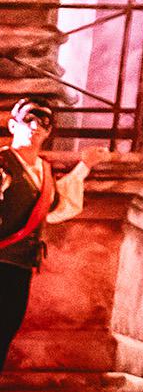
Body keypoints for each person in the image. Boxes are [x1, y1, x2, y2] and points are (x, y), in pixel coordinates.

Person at [0, 96, 88, 371]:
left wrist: (86, 165)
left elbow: (55, 206)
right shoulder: (3, 164)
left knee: (5, 331)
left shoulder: (42, 171)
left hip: (21, 265)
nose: (36, 127)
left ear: (49, 132)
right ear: (13, 126)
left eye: (44, 123)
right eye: (29, 120)